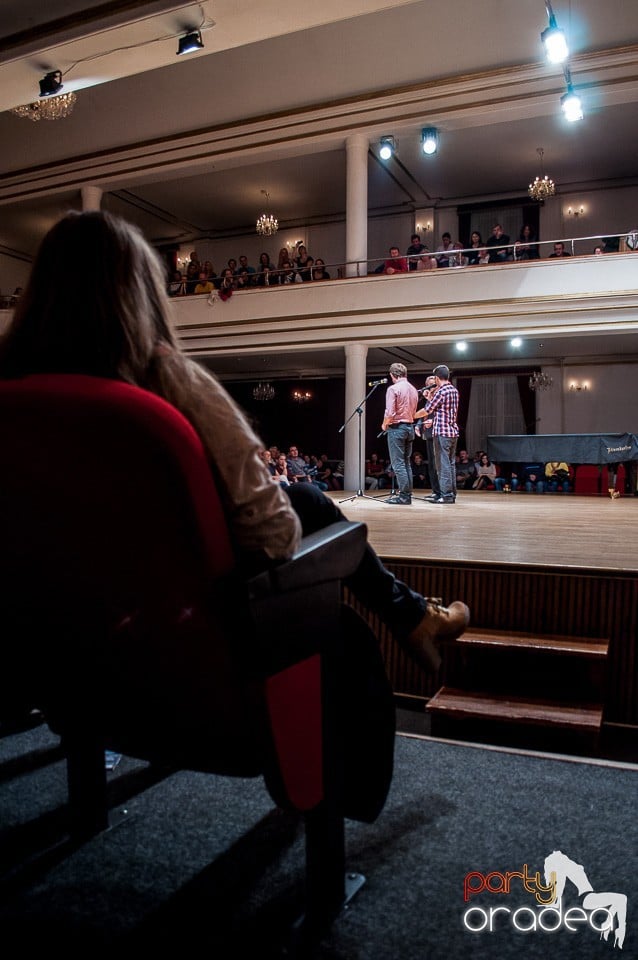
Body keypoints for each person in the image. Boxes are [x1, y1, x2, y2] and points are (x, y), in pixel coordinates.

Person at [0, 210, 469, 672]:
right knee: (308, 507)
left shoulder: (16, 395)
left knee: (304, 496)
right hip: (176, 617)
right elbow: (274, 532)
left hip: (48, 623)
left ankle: (412, 614)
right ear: (140, 296)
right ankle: (410, 615)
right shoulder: (166, 379)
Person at [416, 364, 459, 503]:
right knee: (450, 464)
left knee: (443, 465)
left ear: (436, 377)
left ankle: (446, 496)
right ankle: (451, 494)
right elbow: (440, 408)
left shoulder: (441, 391)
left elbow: (427, 410)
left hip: (442, 432)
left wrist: (411, 415)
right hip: (452, 432)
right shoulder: (453, 390)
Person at [380, 362, 419, 505]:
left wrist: (384, 424)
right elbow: (414, 411)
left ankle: (403, 496)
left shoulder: (393, 389)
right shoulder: (414, 389)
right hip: (409, 427)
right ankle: (407, 494)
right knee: (407, 463)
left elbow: (390, 412)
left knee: (398, 464)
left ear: (392, 374)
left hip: (397, 428)